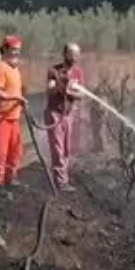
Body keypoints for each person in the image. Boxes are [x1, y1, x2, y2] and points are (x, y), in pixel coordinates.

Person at [0, 35, 27, 190]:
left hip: (13, 116)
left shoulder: (15, 69)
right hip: (0, 117)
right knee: (0, 152)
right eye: (14, 50)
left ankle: (11, 179)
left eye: (18, 50)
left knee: (15, 149)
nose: (16, 53)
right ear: (5, 49)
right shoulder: (0, 67)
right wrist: (16, 97)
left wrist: (19, 100)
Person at [45, 43, 84, 191]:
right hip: (55, 113)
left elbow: (81, 94)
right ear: (65, 54)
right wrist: (60, 87)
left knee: (67, 149)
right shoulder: (54, 71)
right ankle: (60, 183)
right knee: (58, 148)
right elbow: (49, 90)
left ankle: (63, 179)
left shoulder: (78, 72)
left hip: (69, 114)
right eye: (71, 54)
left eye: (77, 54)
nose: (74, 57)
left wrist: (69, 93)